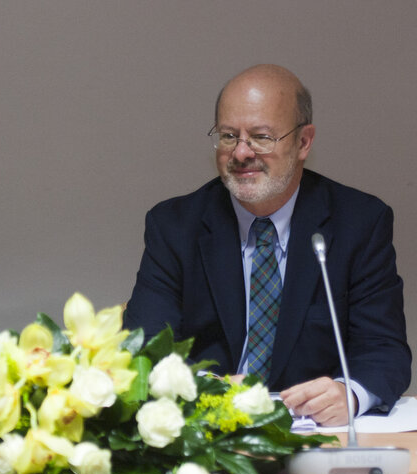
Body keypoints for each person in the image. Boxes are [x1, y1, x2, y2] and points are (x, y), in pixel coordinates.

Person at [124, 64, 410, 426]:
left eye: (261, 137)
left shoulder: (359, 222)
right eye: (229, 136)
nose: (241, 153)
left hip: (316, 432)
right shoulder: (175, 226)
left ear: (304, 142)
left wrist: (349, 394)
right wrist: (208, 390)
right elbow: (147, 349)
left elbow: (384, 350)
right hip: (211, 430)